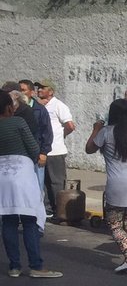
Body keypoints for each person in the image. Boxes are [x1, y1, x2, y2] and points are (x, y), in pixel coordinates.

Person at [85, 99, 127, 273]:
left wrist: (95, 129)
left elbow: (89, 149)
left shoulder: (106, 132)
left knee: (114, 224)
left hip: (118, 184)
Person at [0, 93, 61, 278]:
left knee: (8, 221)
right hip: (22, 174)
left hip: (2, 176)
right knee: (29, 221)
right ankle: (35, 266)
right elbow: (35, 149)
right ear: (9, 107)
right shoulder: (18, 123)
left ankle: (14, 266)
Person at [3, 82, 50, 191]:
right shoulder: (17, 119)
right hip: (17, 165)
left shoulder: (30, 111)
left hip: (27, 160)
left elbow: (44, 132)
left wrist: (43, 152)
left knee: (36, 189)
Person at [37, 80, 74, 216]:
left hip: (56, 151)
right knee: (45, 182)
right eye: (38, 87)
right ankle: (48, 210)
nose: (39, 90)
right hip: (43, 151)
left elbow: (70, 125)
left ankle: (60, 209)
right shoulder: (39, 106)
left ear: (51, 91)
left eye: (43, 87)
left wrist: (60, 136)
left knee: (56, 182)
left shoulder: (58, 105)